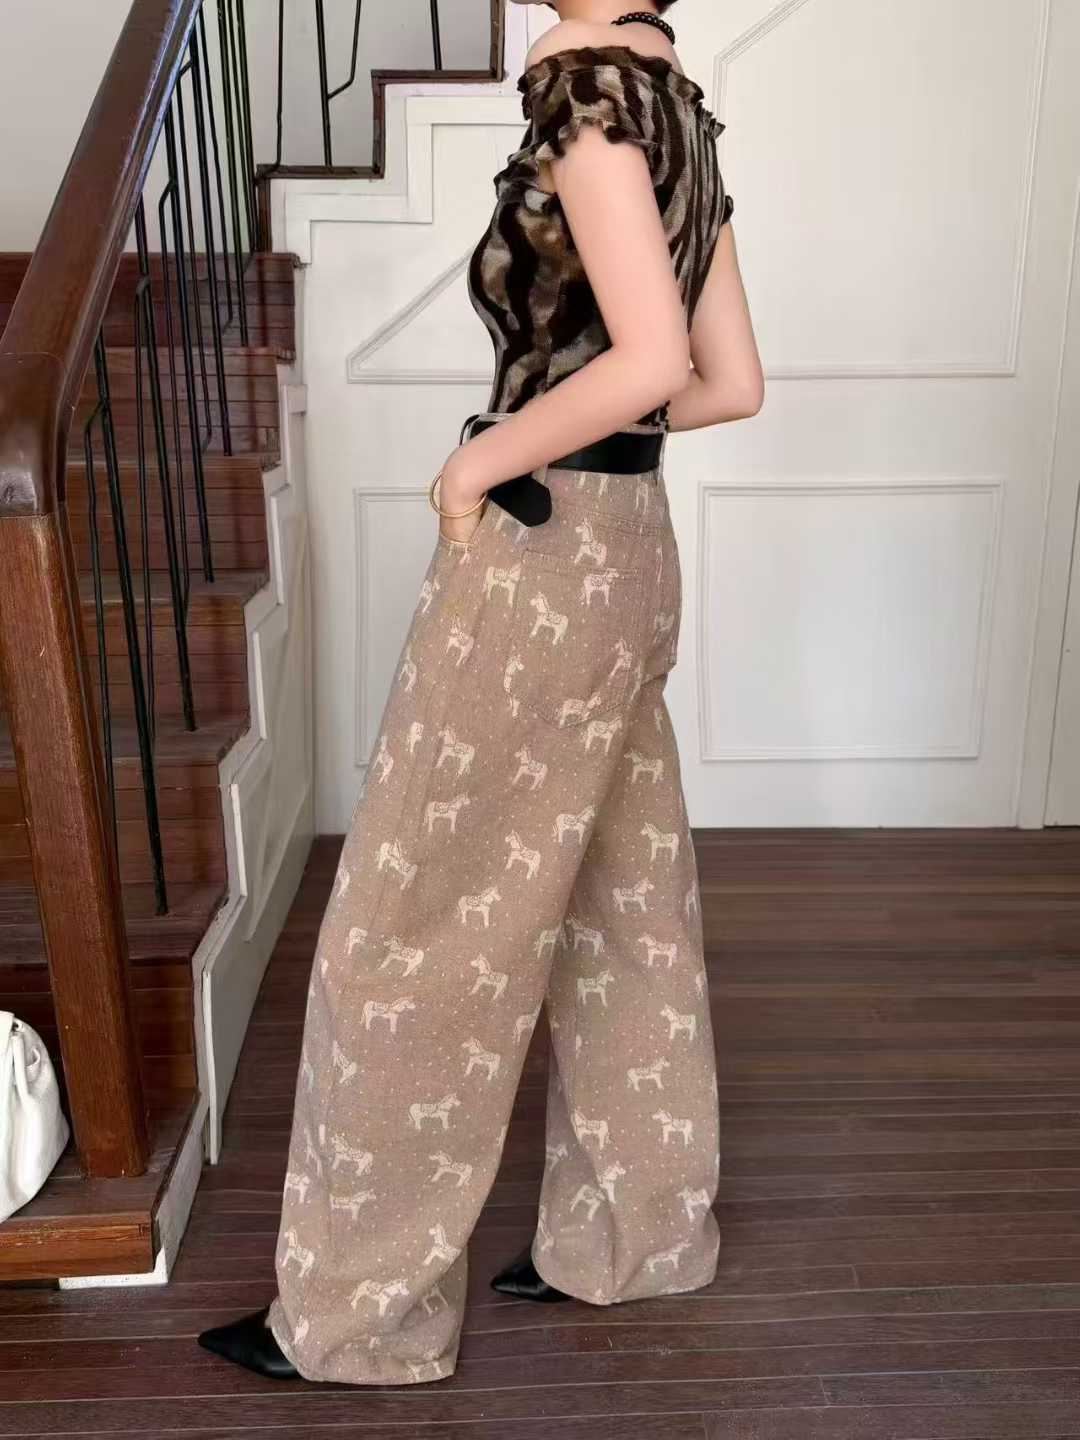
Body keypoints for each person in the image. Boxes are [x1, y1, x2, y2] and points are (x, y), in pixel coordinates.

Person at [198, 0, 763, 1386]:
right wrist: (580, 435)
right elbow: (727, 383)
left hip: (543, 556)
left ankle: (358, 1317)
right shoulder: (680, 110)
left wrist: (477, 464)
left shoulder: (588, 97)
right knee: (624, 902)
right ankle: (636, 1236)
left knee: (415, 926)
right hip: (634, 550)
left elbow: (653, 363)